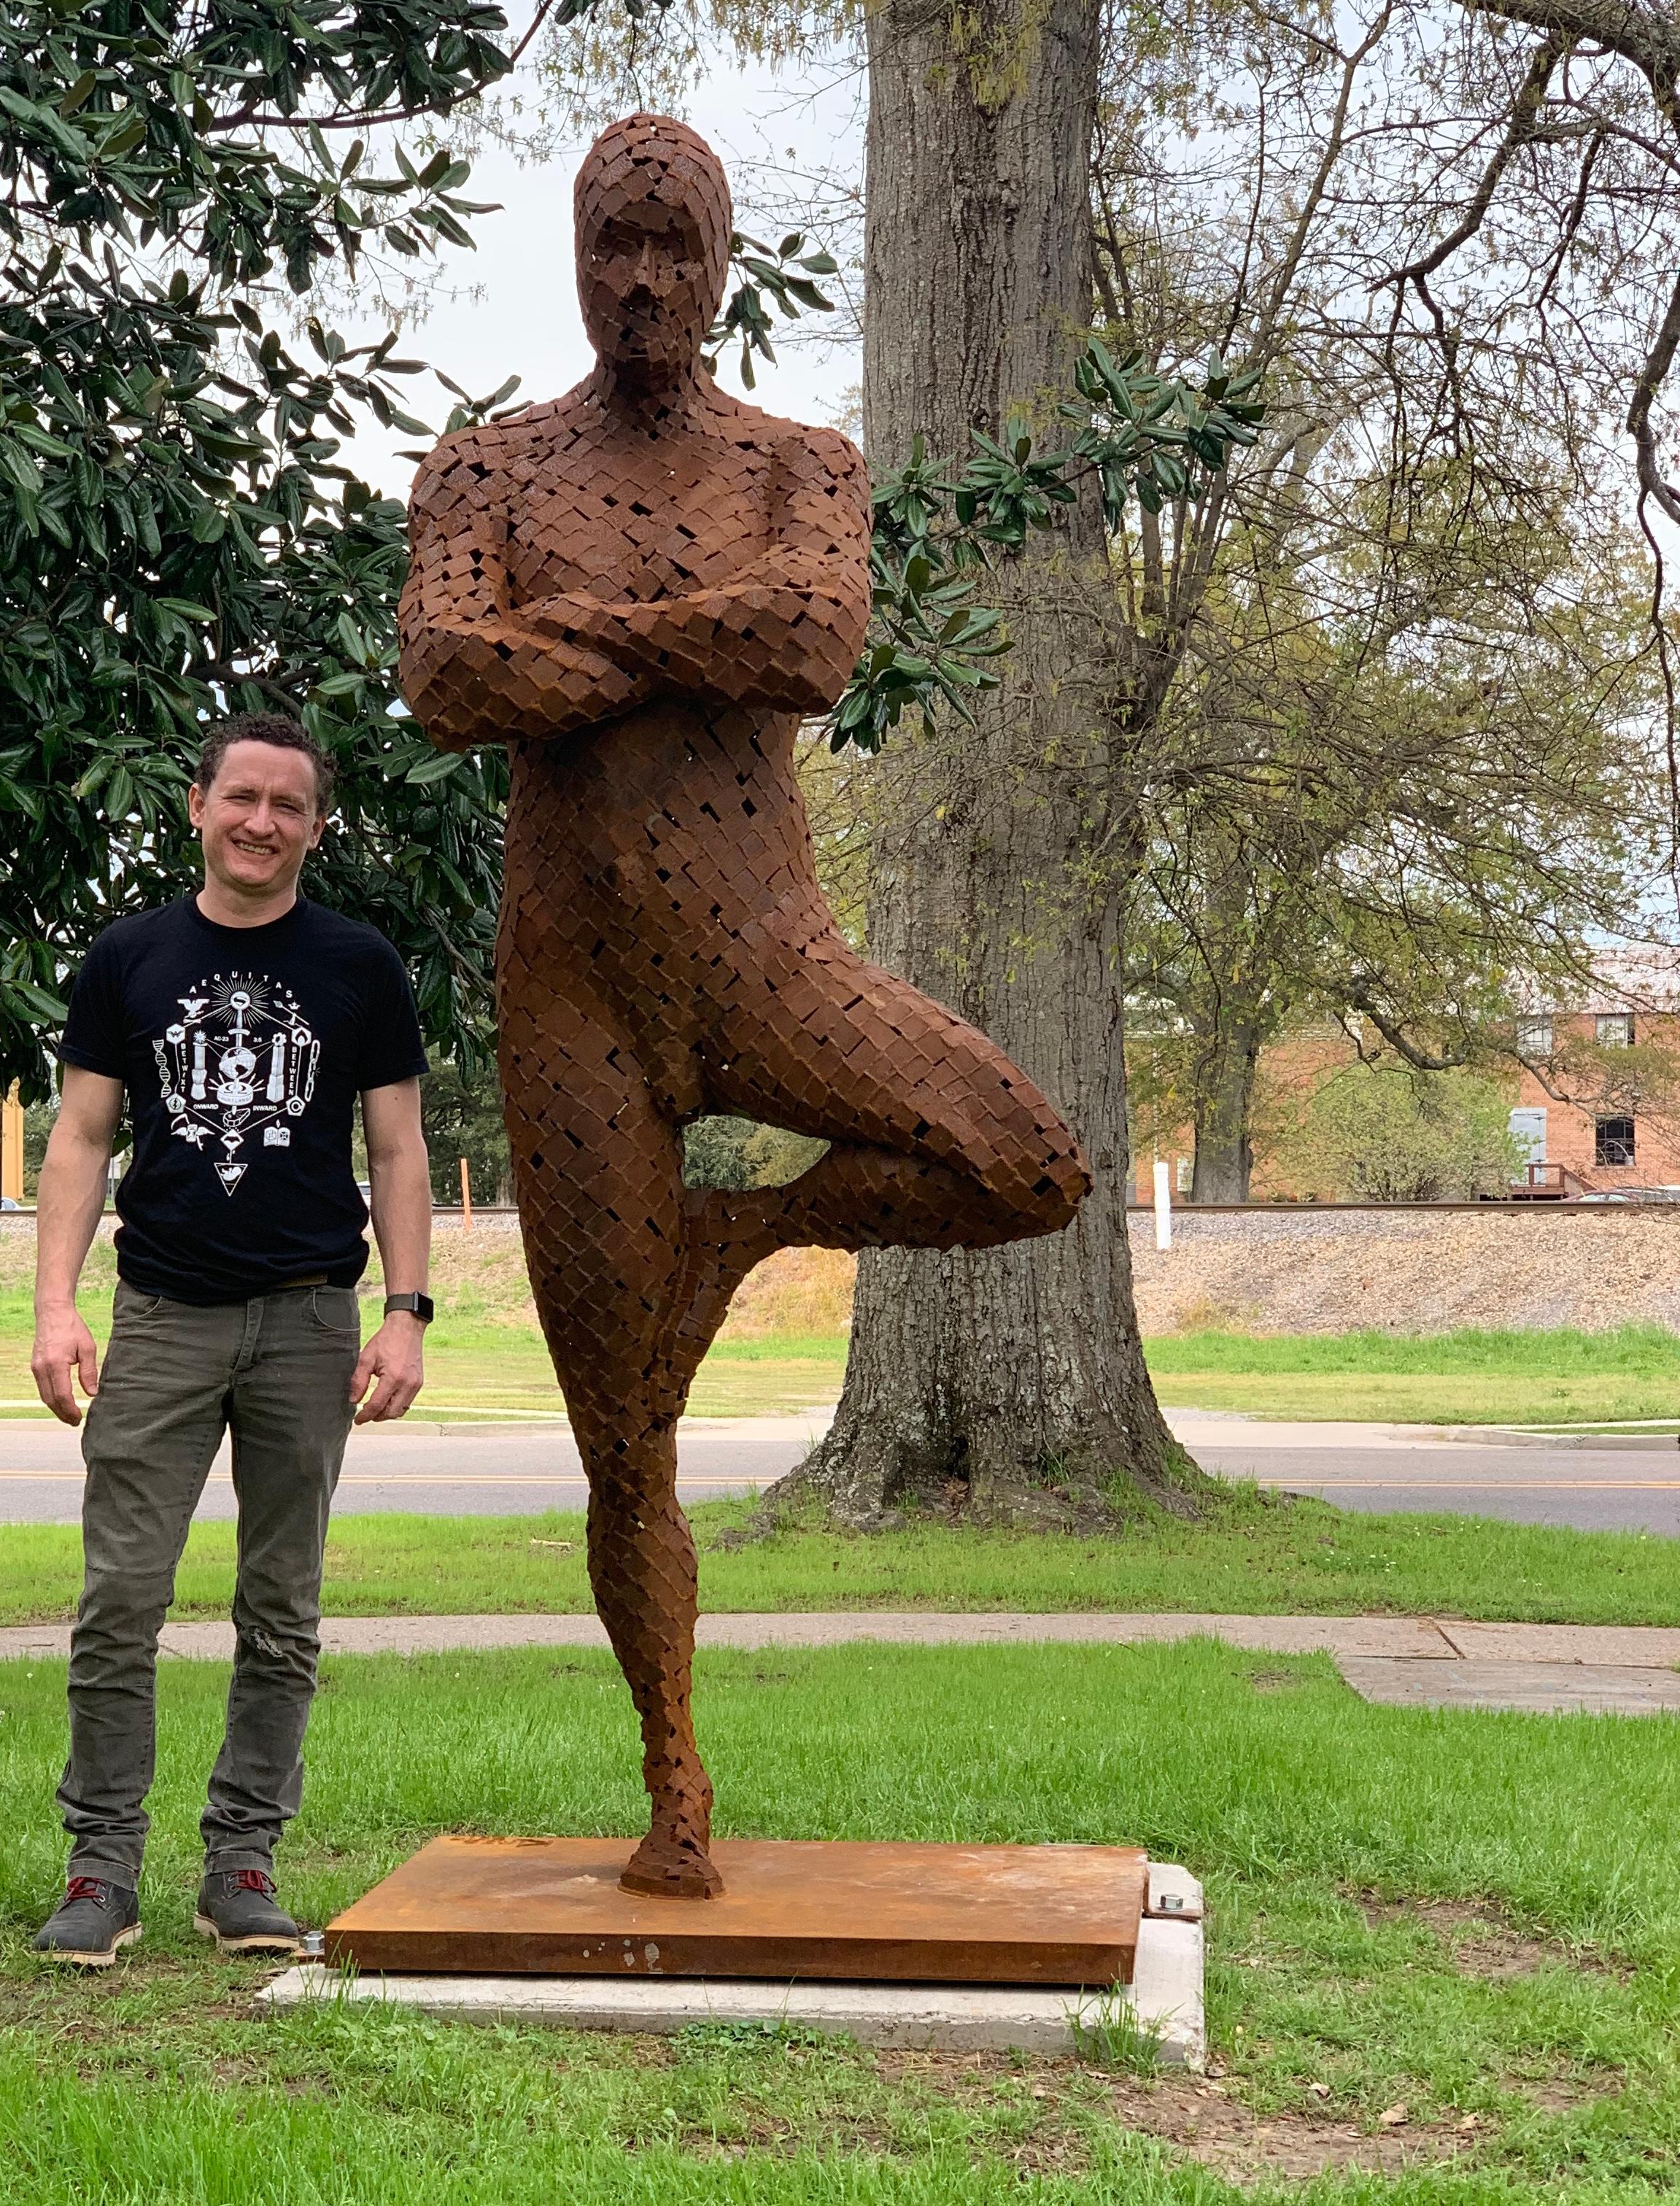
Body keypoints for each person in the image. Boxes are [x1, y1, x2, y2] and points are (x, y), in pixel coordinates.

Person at [398, 115, 1088, 1897]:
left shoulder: (803, 463)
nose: (644, 280)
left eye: (677, 246)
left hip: (770, 963)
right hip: (575, 1012)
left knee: (1025, 1168)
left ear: (719, 263)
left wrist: (590, 643)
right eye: (615, 243)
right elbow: (445, 675)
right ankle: (677, 1785)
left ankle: (746, 1238)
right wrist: (681, 634)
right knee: (623, 1444)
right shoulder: (485, 472)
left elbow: (817, 646)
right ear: (575, 251)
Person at [27, 711, 436, 1967]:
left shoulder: (361, 965)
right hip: (159, 1317)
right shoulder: (129, 958)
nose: (262, 822)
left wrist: (406, 1312)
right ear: (198, 804)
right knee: (119, 1604)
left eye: (289, 805)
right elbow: (83, 1140)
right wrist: (54, 1306)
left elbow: (400, 1148)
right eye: (242, 797)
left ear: (317, 825)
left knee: (283, 1610)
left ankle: (242, 1863)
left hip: (311, 1320)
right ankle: (102, 1871)